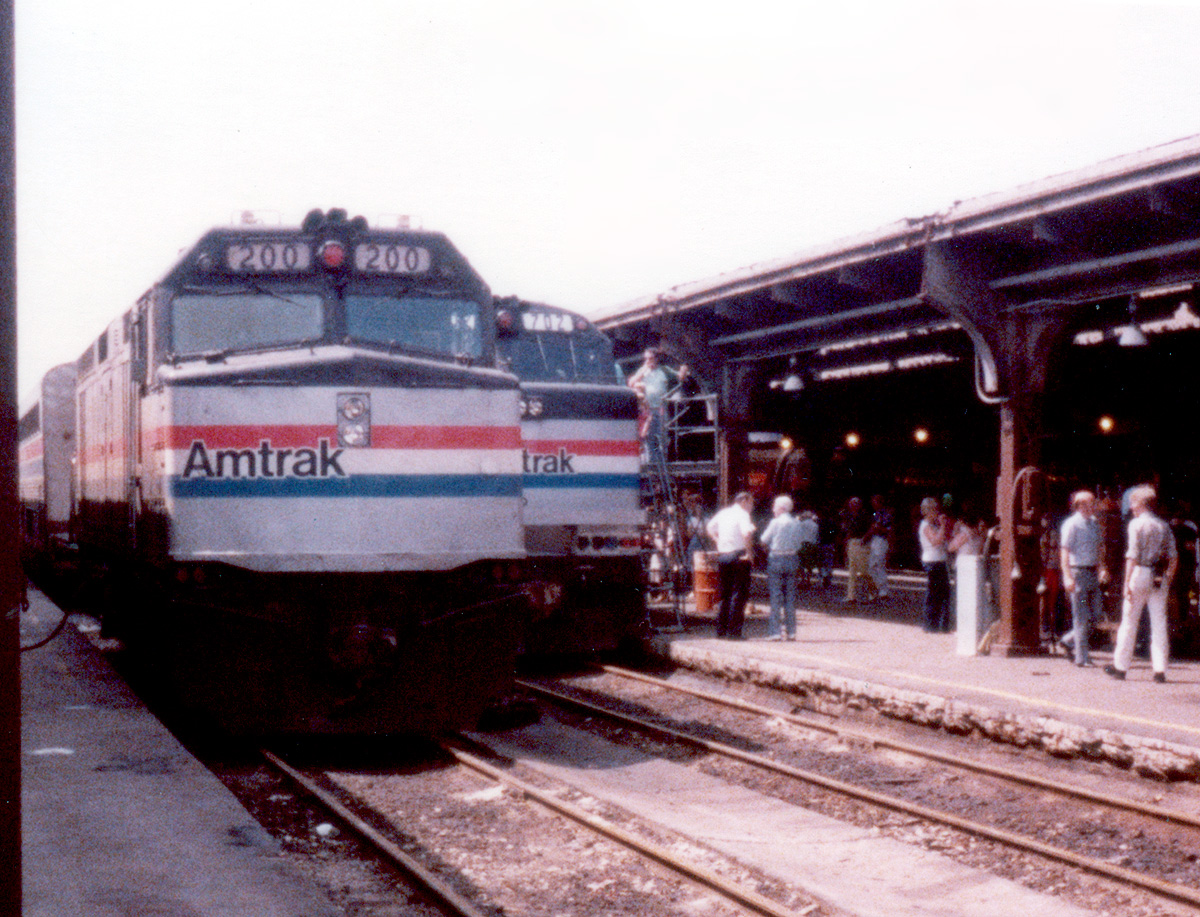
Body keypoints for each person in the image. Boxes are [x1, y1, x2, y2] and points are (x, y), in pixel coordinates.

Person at [1106, 485, 1177, 682]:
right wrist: (1169, 577)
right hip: (1159, 575)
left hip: (1140, 572)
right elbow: (1173, 556)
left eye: (1133, 503)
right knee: (1159, 622)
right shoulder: (1163, 525)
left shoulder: (1135, 525)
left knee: (1129, 621)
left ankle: (1120, 667)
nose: (1131, 507)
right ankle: (1160, 670)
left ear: (1142, 504)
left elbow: (1132, 556)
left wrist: (1126, 582)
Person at [1058, 491, 1109, 667]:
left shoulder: (1095, 524)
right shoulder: (1071, 525)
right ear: (1079, 506)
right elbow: (1064, 551)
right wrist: (1067, 576)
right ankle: (1082, 658)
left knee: (1095, 616)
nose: (1093, 506)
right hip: (1077, 572)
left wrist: (1102, 567)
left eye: (1093, 503)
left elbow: (1099, 548)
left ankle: (1067, 640)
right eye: (1089, 503)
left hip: (1092, 572)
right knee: (1081, 617)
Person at [706, 491, 756, 640]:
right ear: (744, 501)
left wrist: (717, 540)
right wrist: (749, 552)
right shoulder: (743, 515)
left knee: (725, 594)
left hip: (723, 555)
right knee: (738, 594)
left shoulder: (724, 513)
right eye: (751, 503)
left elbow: (709, 527)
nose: (752, 506)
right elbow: (747, 534)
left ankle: (720, 631)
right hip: (739, 555)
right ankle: (734, 632)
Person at [627, 348, 687, 467]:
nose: (648, 361)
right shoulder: (642, 371)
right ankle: (650, 463)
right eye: (646, 359)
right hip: (647, 409)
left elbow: (679, 378)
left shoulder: (664, 370)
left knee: (661, 436)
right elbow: (631, 383)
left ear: (657, 359)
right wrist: (643, 370)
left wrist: (684, 368)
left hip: (660, 408)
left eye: (650, 358)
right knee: (648, 436)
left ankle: (661, 463)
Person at [760, 496, 804, 640]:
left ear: (781, 508)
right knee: (790, 597)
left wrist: (769, 547)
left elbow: (763, 540)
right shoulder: (797, 523)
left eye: (775, 506)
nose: (773, 509)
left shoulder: (775, 522)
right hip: (792, 558)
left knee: (776, 596)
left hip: (776, 558)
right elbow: (799, 544)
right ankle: (792, 632)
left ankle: (775, 632)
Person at [919, 496, 952, 633]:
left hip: (940, 560)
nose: (937, 513)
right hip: (932, 561)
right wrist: (943, 526)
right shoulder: (925, 526)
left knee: (944, 594)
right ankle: (931, 625)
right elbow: (936, 541)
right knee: (934, 594)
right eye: (934, 511)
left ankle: (942, 625)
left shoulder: (934, 525)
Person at [841, 497, 875, 603]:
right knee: (852, 570)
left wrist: (865, 538)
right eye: (851, 504)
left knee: (864, 570)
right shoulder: (849, 516)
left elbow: (872, 528)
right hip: (852, 542)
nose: (852, 506)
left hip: (862, 543)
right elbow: (848, 531)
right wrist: (846, 544)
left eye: (855, 504)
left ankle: (872, 592)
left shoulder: (865, 515)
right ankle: (851, 596)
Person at [866, 494, 893, 599]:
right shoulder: (875, 514)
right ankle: (878, 587)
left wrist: (878, 528)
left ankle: (883, 589)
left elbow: (888, 530)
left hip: (881, 540)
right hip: (875, 540)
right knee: (872, 565)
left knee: (879, 564)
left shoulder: (886, 515)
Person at [796, 510, 819, 587]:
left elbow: (798, 534)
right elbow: (815, 536)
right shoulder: (815, 525)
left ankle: (802, 579)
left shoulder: (801, 524)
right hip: (812, 544)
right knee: (810, 564)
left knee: (801, 563)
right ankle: (808, 580)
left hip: (803, 544)